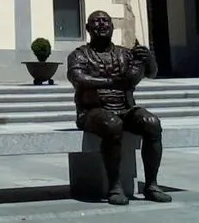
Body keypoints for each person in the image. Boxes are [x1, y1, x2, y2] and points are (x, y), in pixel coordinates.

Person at [66, 10, 172, 205]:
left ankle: (151, 185)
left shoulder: (125, 53)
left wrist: (148, 60)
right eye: (96, 22)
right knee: (112, 125)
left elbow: (150, 73)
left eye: (105, 21)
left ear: (112, 27)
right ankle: (115, 186)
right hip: (92, 110)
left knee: (152, 123)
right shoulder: (79, 55)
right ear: (88, 28)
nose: (101, 25)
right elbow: (78, 78)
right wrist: (112, 81)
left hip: (125, 108)